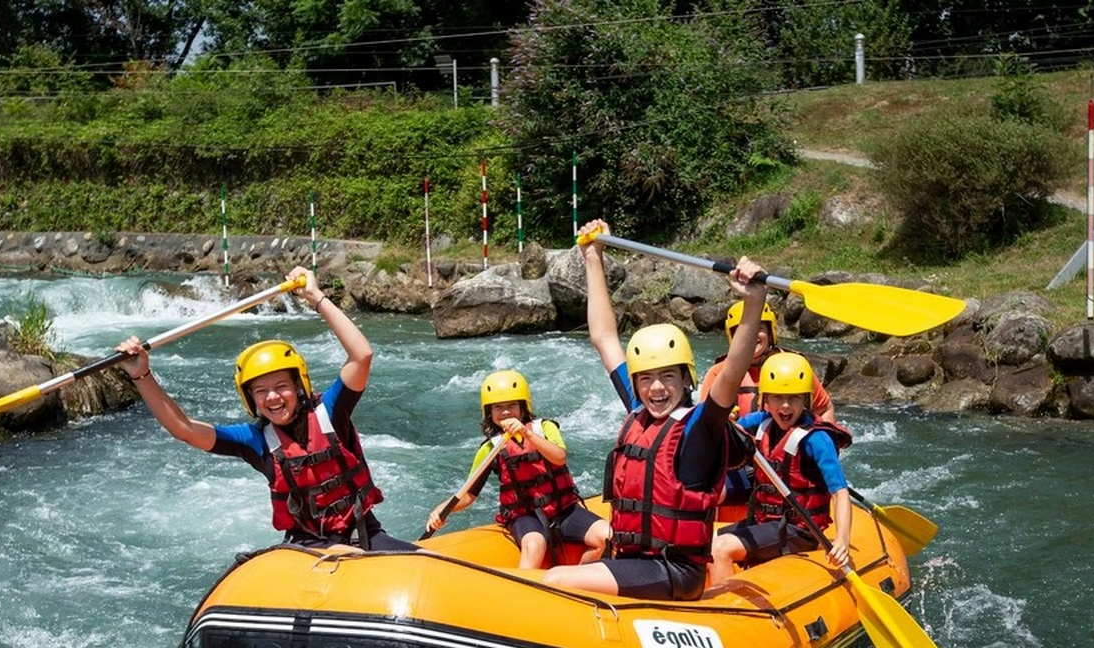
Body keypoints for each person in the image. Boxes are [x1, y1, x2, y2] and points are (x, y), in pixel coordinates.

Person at [541, 220, 771, 601]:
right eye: (646, 379)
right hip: (634, 560)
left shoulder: (700, 428)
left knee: (556, 582)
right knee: (569, 575)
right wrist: (592, 257)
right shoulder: (639, 411)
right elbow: (603, 337)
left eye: (668, 376)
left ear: (686, 380)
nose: (657, 388)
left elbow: (732, 371)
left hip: (675, 571)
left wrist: (753, 300)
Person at [115, 266, 415, 551]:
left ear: (299, 386)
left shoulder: (331, 412)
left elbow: (361, 355)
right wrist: (141, 375)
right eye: (261, 391)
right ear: (251, 399)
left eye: (281, 386)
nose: (272, 397)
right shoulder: (256, 440)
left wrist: (316, 297)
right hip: (306, 548)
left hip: (363, 535)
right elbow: (184, 429)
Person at [425, 368, 609, 569]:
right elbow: (469, 494)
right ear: (489, 412)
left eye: (512, 405)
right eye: (498, 407)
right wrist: (442, 509)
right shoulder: (489, 448)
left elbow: (559, 458)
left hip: (564, 510)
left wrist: (527, 433)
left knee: (607, 537)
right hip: (525, 516)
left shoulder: (545, 428)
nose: (505, 412)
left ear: (523, 407)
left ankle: (576, 579)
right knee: (534, 544)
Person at [707, 351, 853, 586]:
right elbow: (724, 431)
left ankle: (727, 612)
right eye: (777, 397)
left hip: (799, 530)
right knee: (703, 540)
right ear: (766, 398)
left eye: (794, 398)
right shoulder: (762, 422)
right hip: (765, 521)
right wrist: (724, 420)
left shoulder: (817, 440)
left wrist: (842, 540)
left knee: (720, 548)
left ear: (806, 399)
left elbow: (840, 492)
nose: (785, 406)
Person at [698, 299, 835, 513]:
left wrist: (824, 455)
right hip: (742, 465)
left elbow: (824, 408)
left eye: (759, 329)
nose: (752, 335)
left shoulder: (793, 367)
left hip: (790, 464)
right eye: (743, 330)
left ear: (771, 332)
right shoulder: (719, 374)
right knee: (711, 486)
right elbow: (703, 431)